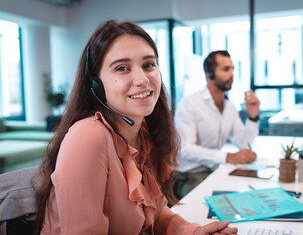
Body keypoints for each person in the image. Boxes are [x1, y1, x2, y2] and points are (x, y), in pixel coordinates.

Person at [33, 21, 238, 235]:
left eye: (149, 65)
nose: (142, 79)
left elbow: (156, 213)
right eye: (122, 68)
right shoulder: (88, 137)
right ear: (96, 84)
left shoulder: (144, 132)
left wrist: (194, 232)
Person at [174, 50, 260, 198]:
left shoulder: (229, 107)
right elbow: (185, 149)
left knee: (250, 194)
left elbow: (244, 144)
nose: (232, 74)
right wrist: (228, 157)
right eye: (226, 69)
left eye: (232, 69)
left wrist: (253, 117)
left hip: (215, 171)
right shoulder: (189, 104)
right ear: (209, 75)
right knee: (226, 204)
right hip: (188, 176)